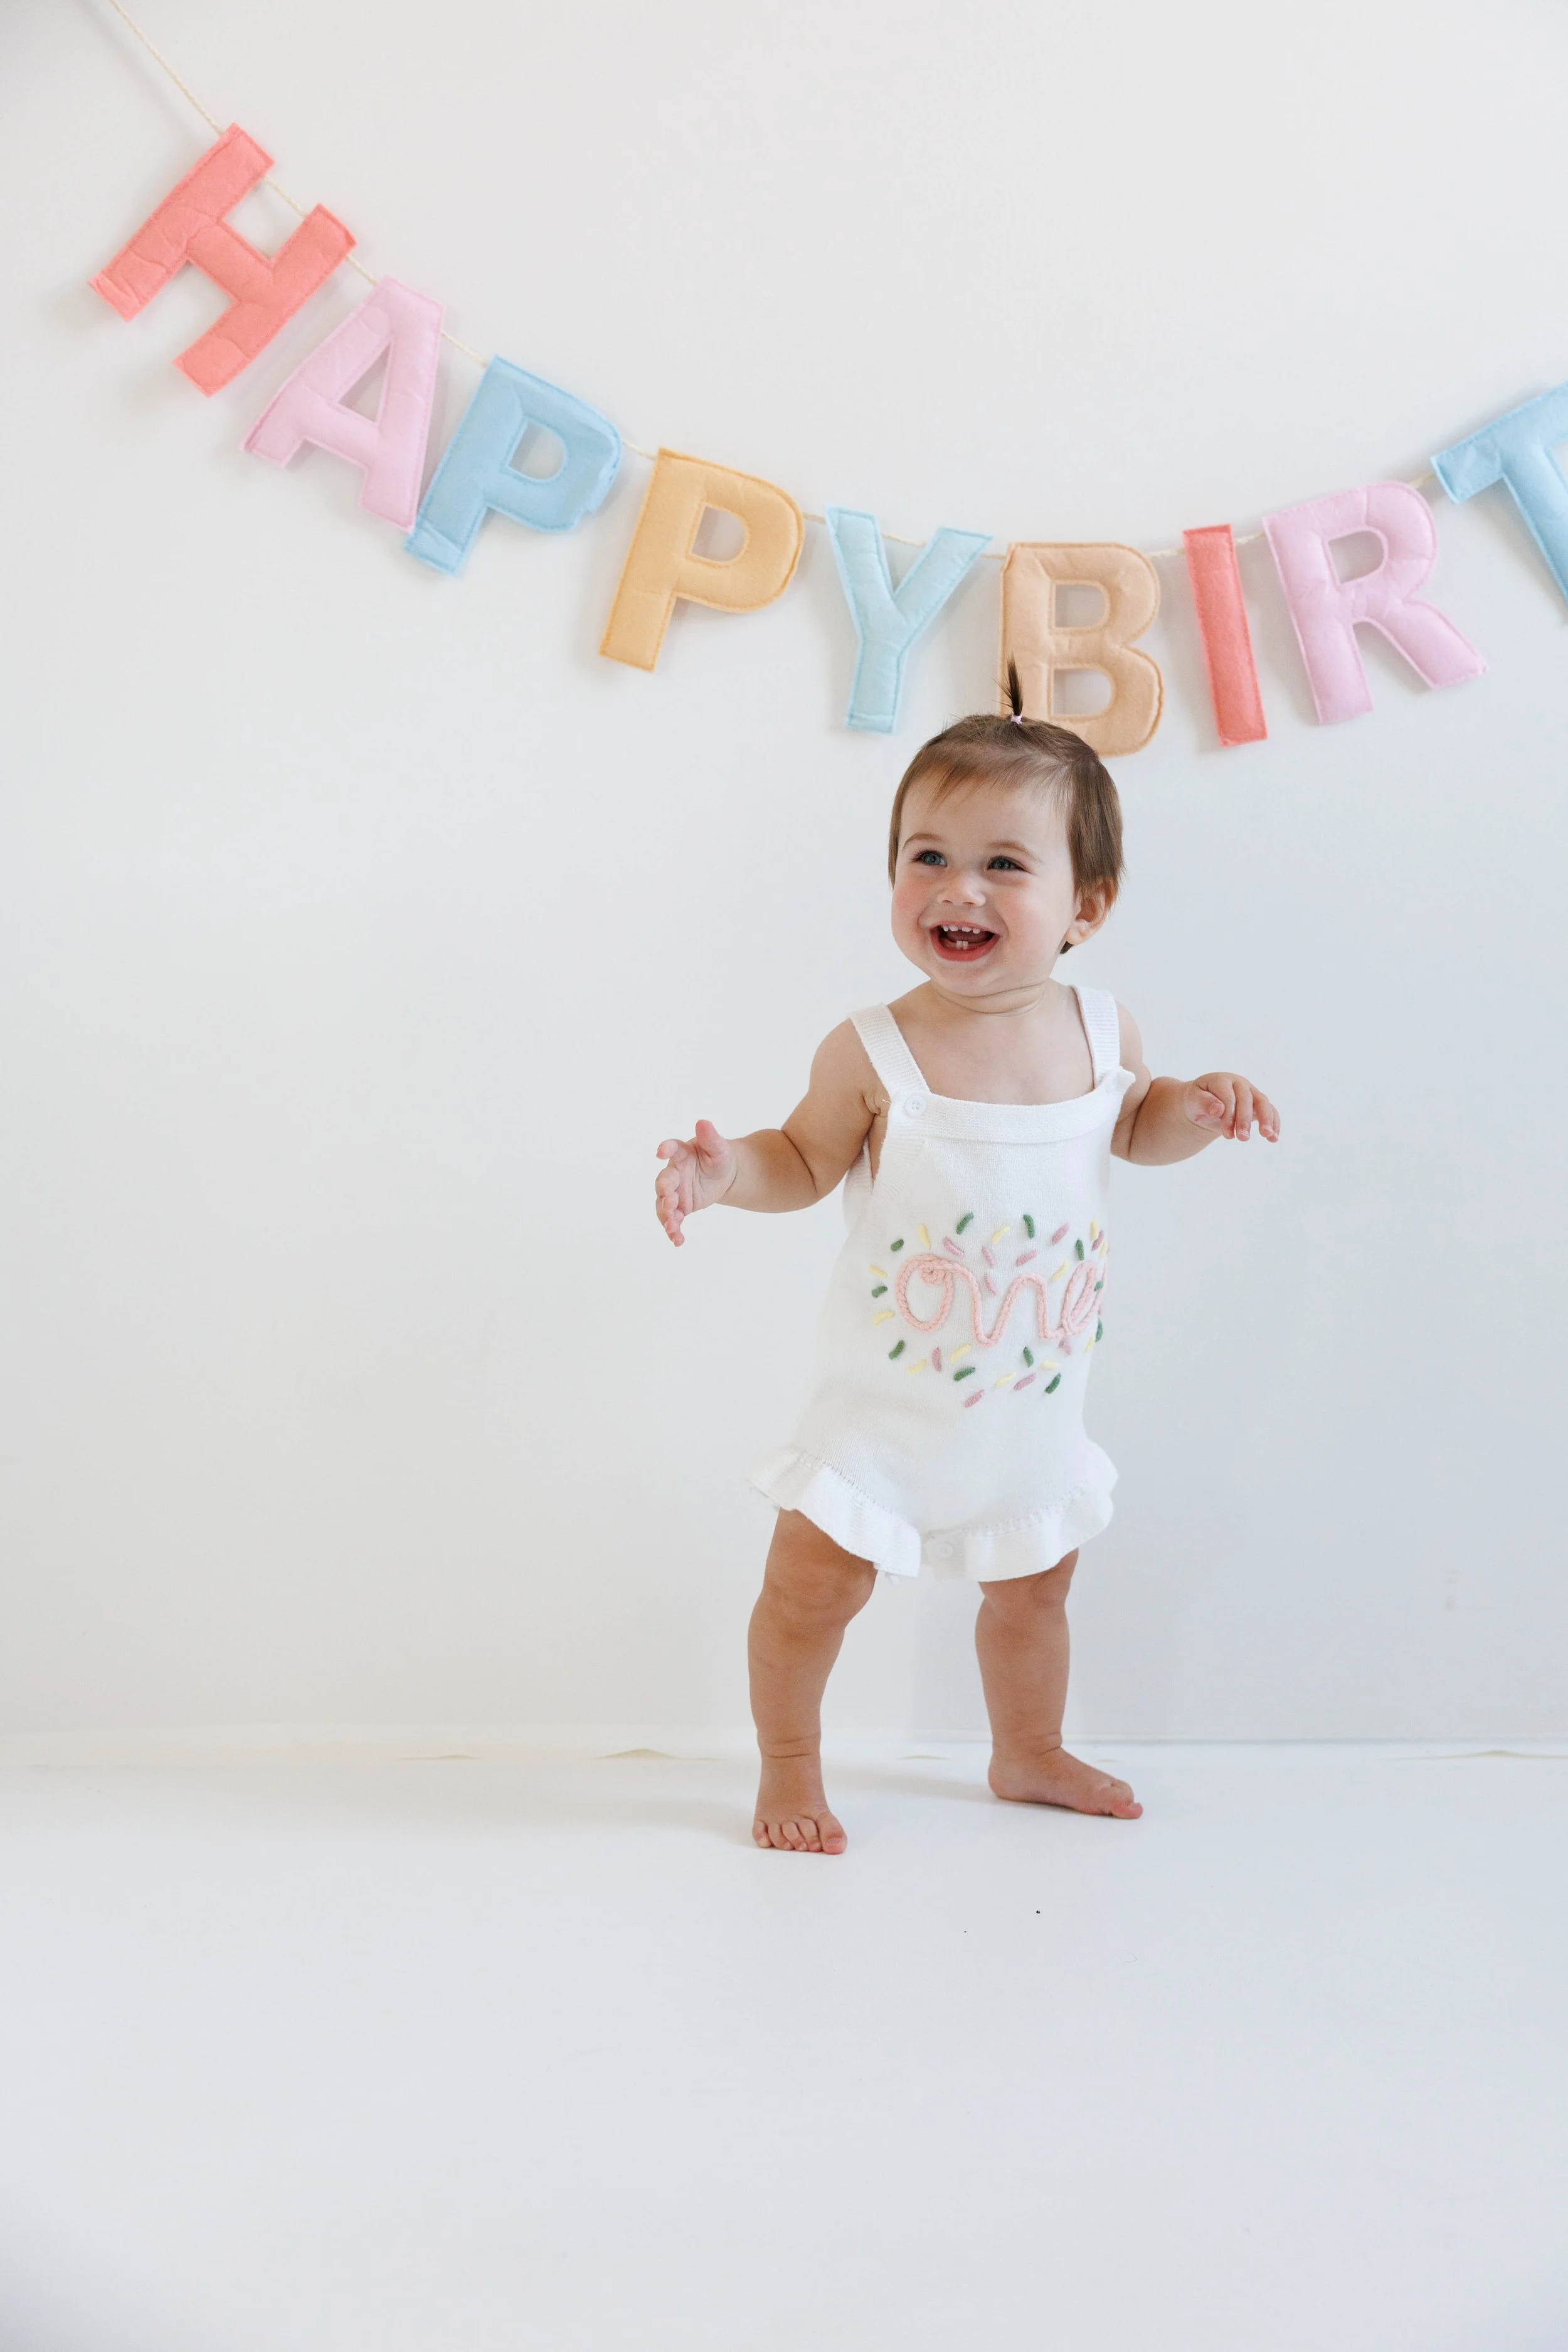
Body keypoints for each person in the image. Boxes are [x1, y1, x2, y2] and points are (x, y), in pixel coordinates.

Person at [654, 673, 1279, 1854]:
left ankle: (1027, 1748)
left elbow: (1136, 1127)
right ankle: (789, 1764)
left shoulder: (1101, 1032)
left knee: (1036, 1591)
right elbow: (802, 1155)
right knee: (810, 1592)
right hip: (881, 1417)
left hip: (1029, 1413)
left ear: (1086, 903)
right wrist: (726, 1171)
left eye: (1004, 864)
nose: (959, 888)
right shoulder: (875, 1049)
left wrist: (1197, 1109)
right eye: (928, 856)